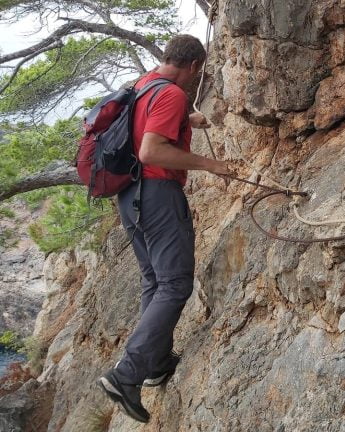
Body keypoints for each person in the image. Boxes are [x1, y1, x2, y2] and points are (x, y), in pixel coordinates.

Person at [98, 34, 232, 423]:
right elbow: (152, 150)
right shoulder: (172, 93)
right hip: (157, 192)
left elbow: (143, 128)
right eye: (198, 73)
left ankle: (155, 364)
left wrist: (186, 120)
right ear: (193, 66)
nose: (195, 80)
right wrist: (211, 164)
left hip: (130, 197)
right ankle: (126, 376)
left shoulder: (144, 84)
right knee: (175, 284)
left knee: (154, 281)